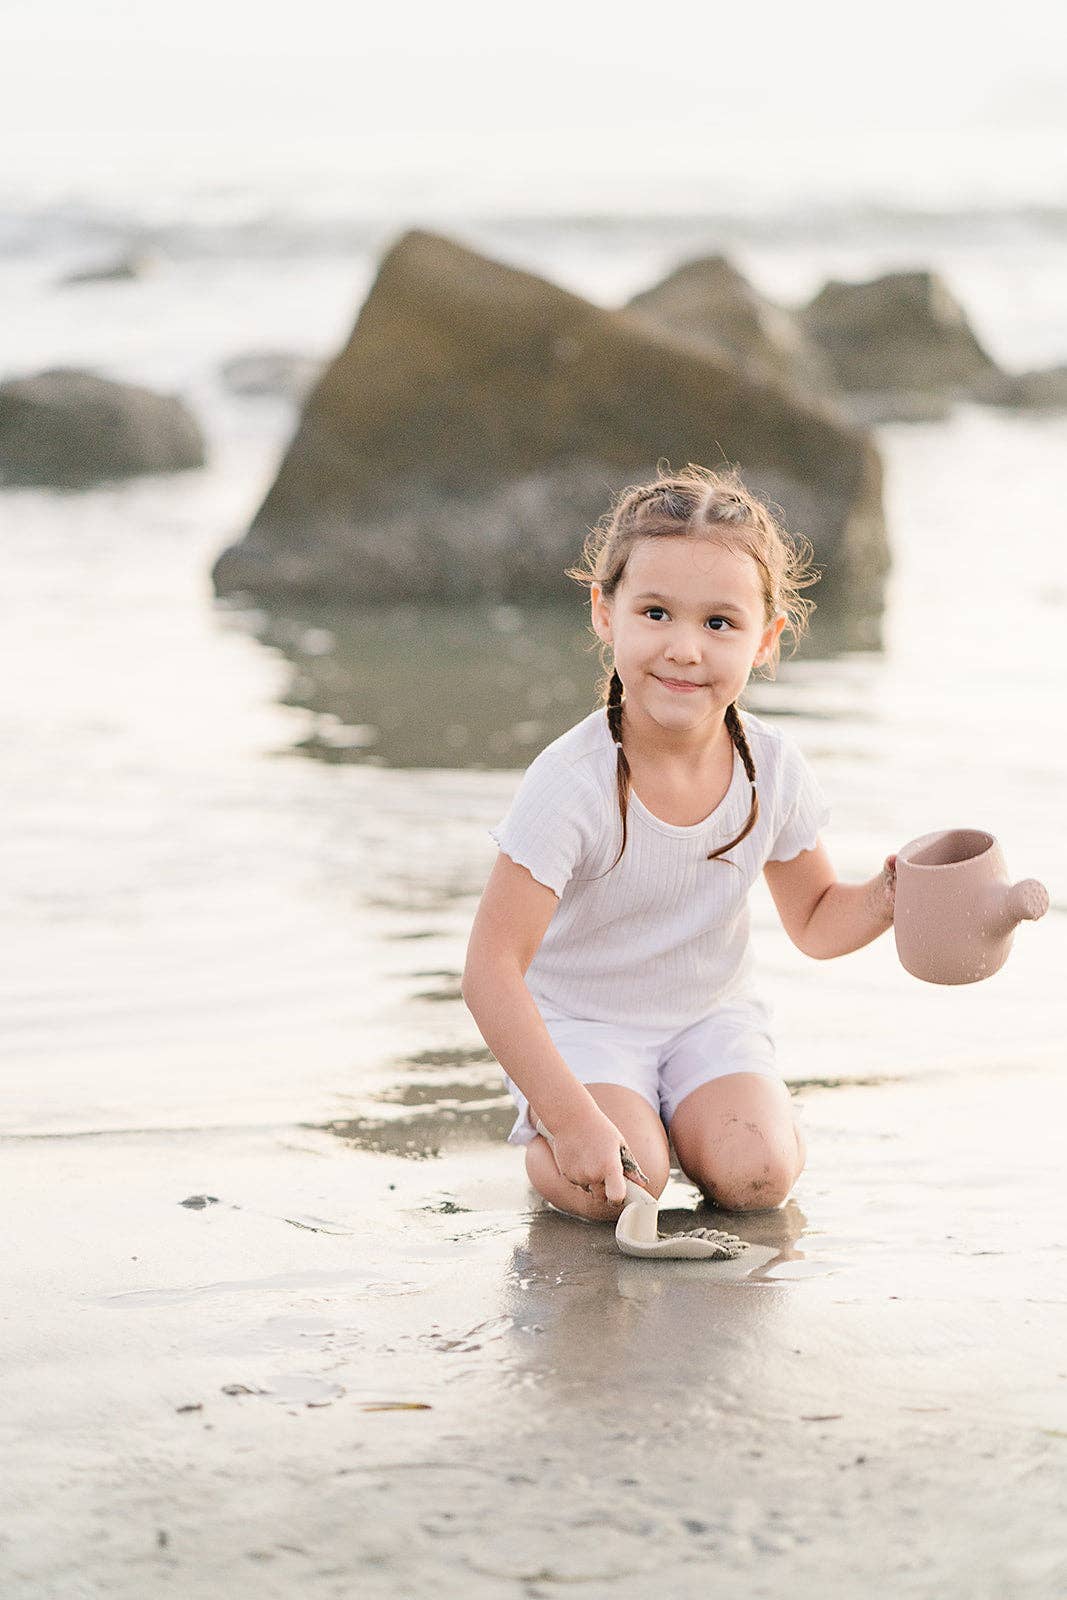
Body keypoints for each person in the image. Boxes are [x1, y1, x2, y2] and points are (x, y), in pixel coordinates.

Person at [462, 463, 897, 1222]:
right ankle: (581, 1131)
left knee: (758, 1178)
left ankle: (702, 1122)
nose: (685, 649)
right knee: (623, 1189)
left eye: (719, 623)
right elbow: (490, 970)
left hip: (709, 1021)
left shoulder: (771, 769)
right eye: (656, 612)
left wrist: (892, 892)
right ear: (605, 613)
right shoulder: (571, 782)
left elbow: (817, 920)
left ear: (766, 639)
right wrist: (570, 1119)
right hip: (583, 1029)